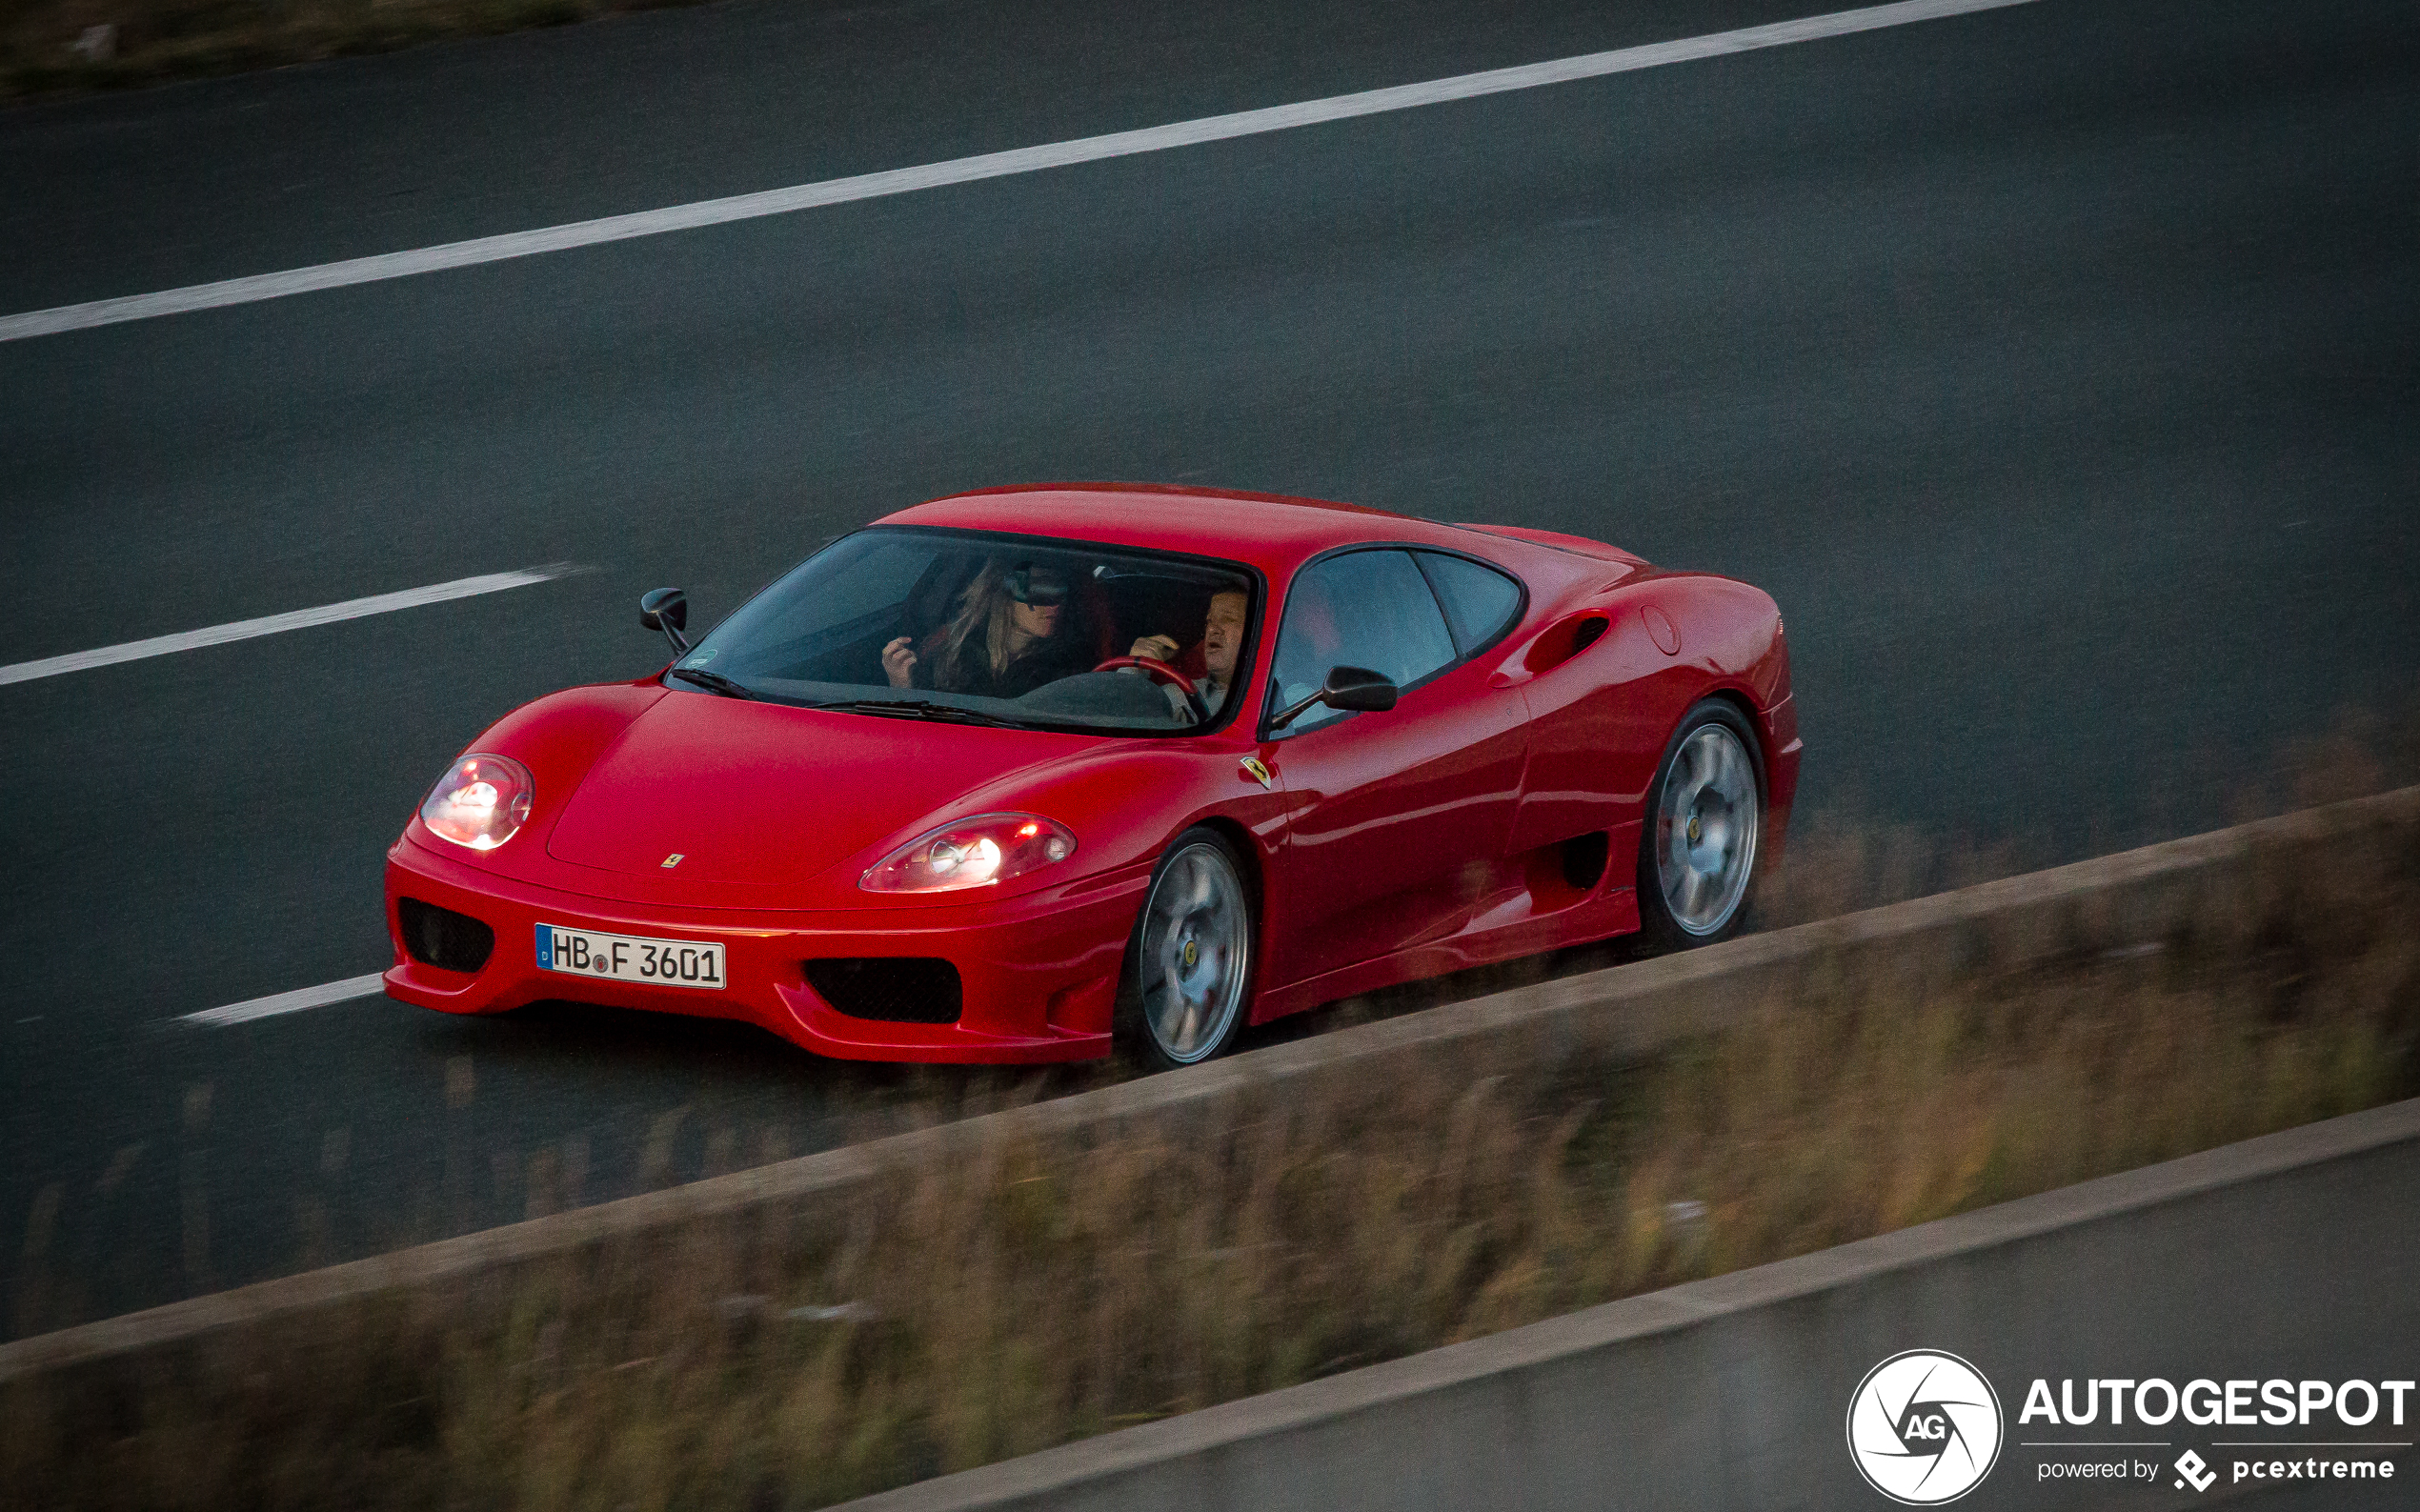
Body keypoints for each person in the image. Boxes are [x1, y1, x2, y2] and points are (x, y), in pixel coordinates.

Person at [881, 560, 1087, 698]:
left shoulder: (1069, 667)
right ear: (1003, 597)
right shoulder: (954, 653)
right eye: (1039, 592)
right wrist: (900, 685)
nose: (1054, 606)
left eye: (1060, 592)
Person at [1126, 588, 1247, 720]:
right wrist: (1134, 668)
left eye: (1228, 619)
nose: (1212, 629)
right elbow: (1117, 714)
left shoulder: (1264, 702)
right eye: (1210, 621)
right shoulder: (1180, 693)